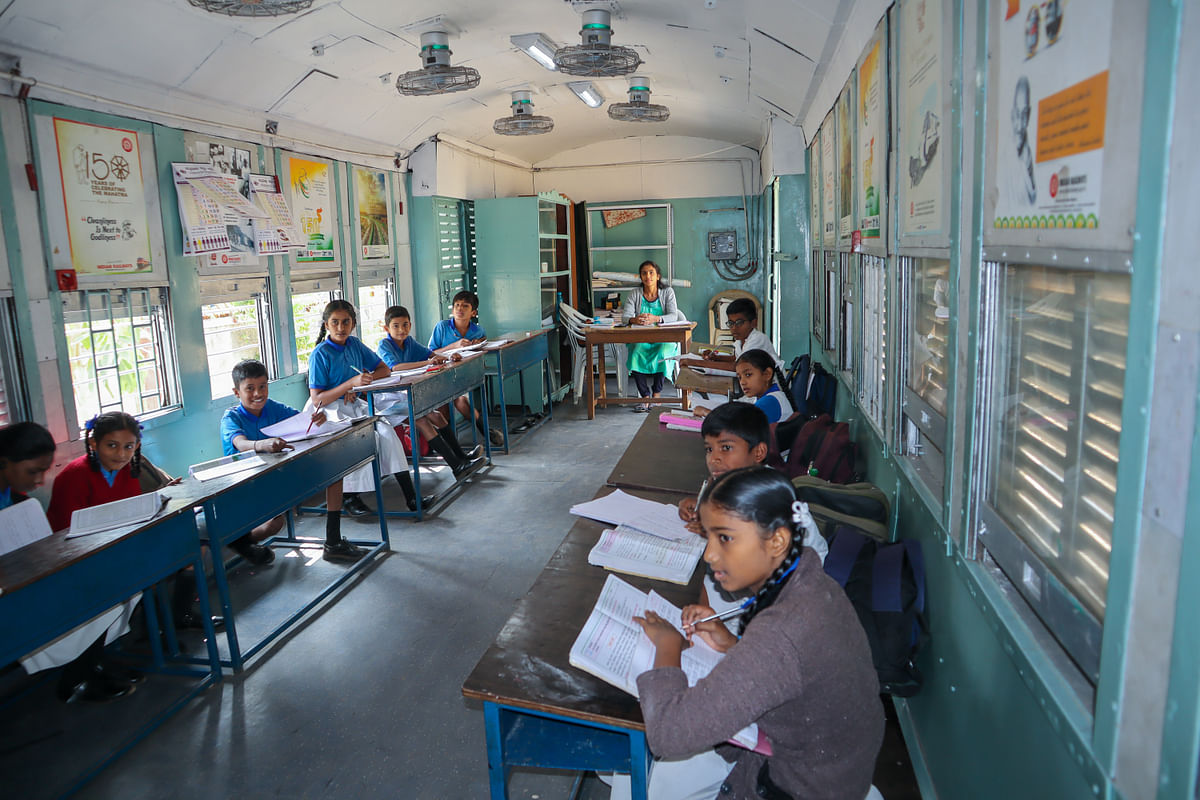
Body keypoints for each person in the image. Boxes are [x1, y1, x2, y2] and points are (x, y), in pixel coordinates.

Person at [613, 467, 884, 800]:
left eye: (724, 537)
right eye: (709, 536)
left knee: (643, 765)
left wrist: (668, 647)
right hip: (832, 761)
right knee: (644, 769)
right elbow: (795, 668)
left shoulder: (784, 630)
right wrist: (733, 645)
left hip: (800, 785)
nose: (710, 554)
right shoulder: (810, 581)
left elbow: (668, 734)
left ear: (777, 541)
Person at [677, 402, 827, 618]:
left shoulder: (768, 500)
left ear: (758, 453)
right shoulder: (731, 483)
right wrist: (698, 506)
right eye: (709, 449)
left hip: (784, 604)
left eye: (726, 448)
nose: (714, 458)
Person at [222, 358, 369, 563]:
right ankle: (240, 543)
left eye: (263, 386)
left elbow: (301, 419)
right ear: (237, 392)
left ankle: (333, 541)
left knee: (334, 472)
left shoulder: (273, 408)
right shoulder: (231, 418)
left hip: (274, 477)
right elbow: (240, 443)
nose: (258, 394)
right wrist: (261, 445)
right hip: (245, 487)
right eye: (250, 388)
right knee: (273, 525)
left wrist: (317, 419)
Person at [308, 299, 430, 519]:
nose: (341, 327)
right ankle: (349, 497)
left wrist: (364, 380)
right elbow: (317, 398)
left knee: (387, 434)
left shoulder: (354, 345)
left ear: (353, 324)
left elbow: (384, 369)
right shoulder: (320, 353)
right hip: (326, 413)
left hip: (351, 405)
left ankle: (411, 497)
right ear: (326, 325)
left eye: (346, 322)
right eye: (335, 322)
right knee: (357, 441)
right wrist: (349, 384)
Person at [376, 305, 482, 476]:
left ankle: (462, 458)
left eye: (405, 325)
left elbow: (430, 354)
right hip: (387, 400)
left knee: (437, 416)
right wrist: (427, 363)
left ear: (410, 325)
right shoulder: (384, 345)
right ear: (387, 328)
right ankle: (456, 467)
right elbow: (395, 367)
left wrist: (447, 357)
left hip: (405, 395)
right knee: (424, 421)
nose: (401, 330)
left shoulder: (409, 342)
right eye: (396, 326)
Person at [428, 290, 504, 447]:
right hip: (441, 375)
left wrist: (477, 344)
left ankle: (486, 431)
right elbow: (431, 354)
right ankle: (449, 443)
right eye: (456, 305)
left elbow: (481, 349)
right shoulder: (442, 327)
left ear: (473, 312)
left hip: (463, 374)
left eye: (465, 306)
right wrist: (454, 346)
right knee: (445, 406)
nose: (459, 309)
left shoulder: (478, 330)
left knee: (462, 403)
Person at [622, 260, 683, 412]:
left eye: (651, 273)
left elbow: (674, 316)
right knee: (636, 352)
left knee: (663, 352)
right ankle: (645, 396)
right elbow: (625, 317)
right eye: (644, 273)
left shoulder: (667, 292)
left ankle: (656, 395)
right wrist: (634, 319)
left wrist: (656, 319)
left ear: (658, 276)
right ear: (640, 277)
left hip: (664, 338)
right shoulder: (635, 294)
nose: (647, 276)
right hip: (641, 338)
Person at [701, 297, 784, 377]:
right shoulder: (740, 341)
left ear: (753, 323)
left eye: (739, 322)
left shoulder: (757, 339)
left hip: (774, 385)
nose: (734, 328)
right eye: (731, 323)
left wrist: (697, 363)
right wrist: (716, 358)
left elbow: (739, 367)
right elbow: (737, 359)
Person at [0, 421, 55, 512]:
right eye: (32, 472)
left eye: (44, 471)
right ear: (3, 462)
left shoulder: (19, 501)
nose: (40, 480)